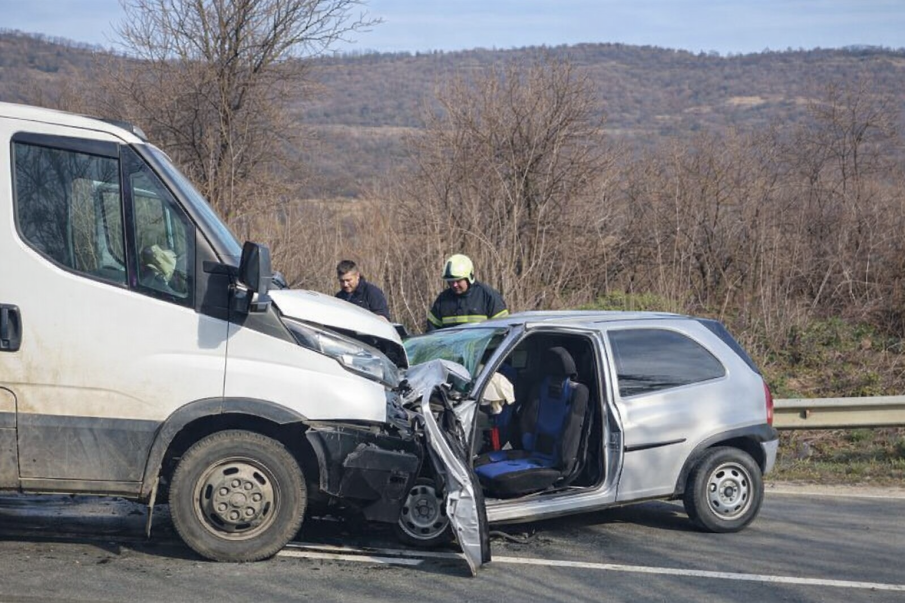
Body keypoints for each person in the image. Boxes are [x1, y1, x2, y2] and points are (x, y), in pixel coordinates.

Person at [426, 254, 508, 331]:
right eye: (451, 281)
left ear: (469, 278)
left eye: (458, 281)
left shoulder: (488, 297)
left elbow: (503, 329)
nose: (454, 285)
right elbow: (432, 331)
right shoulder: (443, 300)